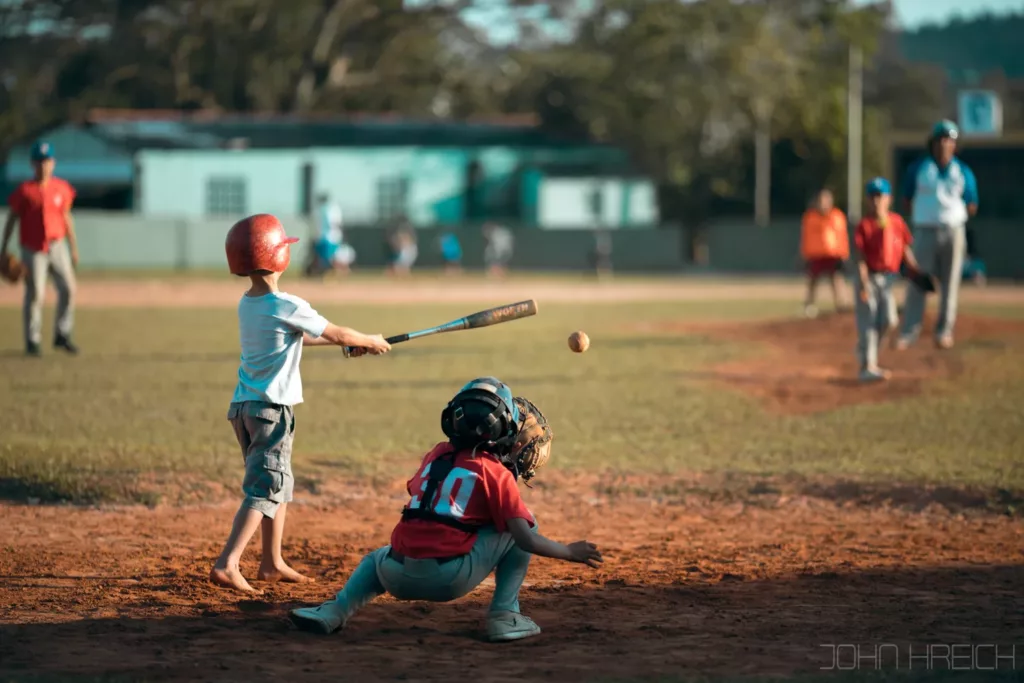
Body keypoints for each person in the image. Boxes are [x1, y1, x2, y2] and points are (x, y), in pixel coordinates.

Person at [289, 377, 603, 642]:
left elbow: (421, 492)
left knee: (376, 557)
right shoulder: (496, 473)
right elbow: (525, 540)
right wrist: (569, 552)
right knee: (522, 525)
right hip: (448, 580)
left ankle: (335, 611)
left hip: (393, 575)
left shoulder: (436, 455)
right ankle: (505, 615)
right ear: (503, 428)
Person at [212, 213, 391, 594]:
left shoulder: (251, 303)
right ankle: (228, 562)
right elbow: (336, 330)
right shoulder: (287, 302)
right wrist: (368, 339)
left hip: (245, 408)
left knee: (277, 484)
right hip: (271, 412)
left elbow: (298, 337)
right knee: (264, 489)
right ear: (278, 256)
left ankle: (271, 562)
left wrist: (347, 344)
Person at [895, 120, 979, 350]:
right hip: (925, 230)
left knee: (950, 283)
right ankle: (909, 331)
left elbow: (972, 203)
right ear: (932, 143)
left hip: (953, 230)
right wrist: (927, 215)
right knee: (918, 281)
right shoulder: (919, 168)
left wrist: (952, 215)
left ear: (955, 144)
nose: (944, 144)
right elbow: (906, 199)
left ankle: (944, 331)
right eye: (940, 139)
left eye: (949, 139)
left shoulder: (962, 171)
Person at [1, 141, 80, 356]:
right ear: (32, 164)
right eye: (38, 162)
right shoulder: (25, 191)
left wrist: (73, 247)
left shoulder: (61, 188)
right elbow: (11, 219)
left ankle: (62, 334)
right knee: (35, 293)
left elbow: (66, 217)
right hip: (33, 249)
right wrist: (4, 247)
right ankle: (32, 340)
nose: (43, 166)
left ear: (53, 163)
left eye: (46, 161)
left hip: (57, 245)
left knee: (69, 289)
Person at [853, 178, 923, 383]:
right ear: (867, 199)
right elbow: (860, 259)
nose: (877, 200)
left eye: (880, 196)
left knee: (889, 321)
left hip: (888, 279)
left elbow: (903, 248)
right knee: (869, 321)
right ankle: (867, 367)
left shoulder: (896, 222)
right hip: (869, 277)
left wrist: (915, 271)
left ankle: (864, 350)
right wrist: (864, 284)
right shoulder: (864, 226)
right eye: (873, 196)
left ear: (889, 198)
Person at [799, 188, 849, 318]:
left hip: (833, 254)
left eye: (826, 199)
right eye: (821, 199)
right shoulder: (810, 217)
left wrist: (844, 254)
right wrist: (804, 254)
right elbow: (805, 237)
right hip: (816, 254)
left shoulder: (837, 216)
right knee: (812, 281)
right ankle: (809, 305)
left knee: (836, 280)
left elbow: (842, 236)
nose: (823, 202)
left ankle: (841, 305)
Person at [306, 194, 355, 277]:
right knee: (327, 258)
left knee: (327, 258)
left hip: (325, 237)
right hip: (330, 237)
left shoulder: (322, 209)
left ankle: (330, 272)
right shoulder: (332, 209)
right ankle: (329, 272)